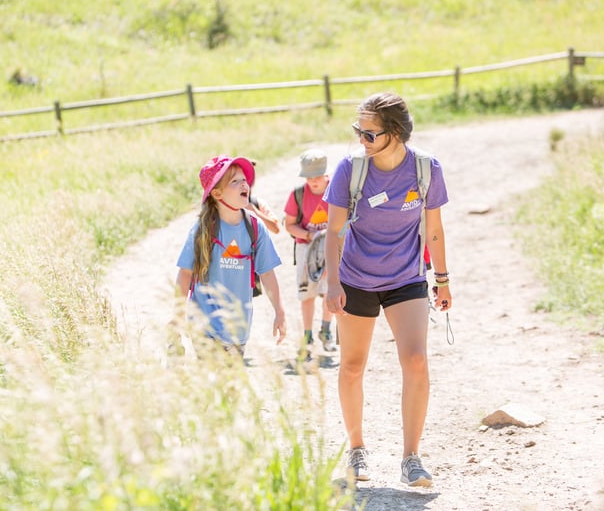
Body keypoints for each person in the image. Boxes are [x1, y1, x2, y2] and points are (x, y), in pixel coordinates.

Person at [323, 92, 452, 487]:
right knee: (353, 365)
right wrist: (331, 284)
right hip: (355, 278)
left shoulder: (426, 170)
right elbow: (334, 230)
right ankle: (356, 449)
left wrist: (442, 279)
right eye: (358, 131)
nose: (361, 139)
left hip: (406, 277)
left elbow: (433, 228)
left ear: (395, 132)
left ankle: (411, 457)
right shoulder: (351, 169)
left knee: (415, 360)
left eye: (370, 133)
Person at [175, 155, 287, 356]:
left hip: (238, 327)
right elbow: (185, 273)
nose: (244, 183)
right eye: (234, 181)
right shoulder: (203, 229)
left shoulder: (255, 227)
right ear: (217, 194)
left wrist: (279, 311)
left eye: (244, 179)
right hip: (204, 322)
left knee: (229, 386)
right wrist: (177, 315)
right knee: (215, 380)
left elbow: (267, 273)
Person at [284, 148, 335, 354]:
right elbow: (289, 225)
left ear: (326, 174)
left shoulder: (336, 190)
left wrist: (329, 236)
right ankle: (307, 336)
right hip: (306, 247)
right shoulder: (298, 194)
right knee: (307, 293)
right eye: (308, 177)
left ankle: (326, 330)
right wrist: (310, 236)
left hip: (331, 247)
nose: (313, 181)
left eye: (317, 176)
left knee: (329, 291)